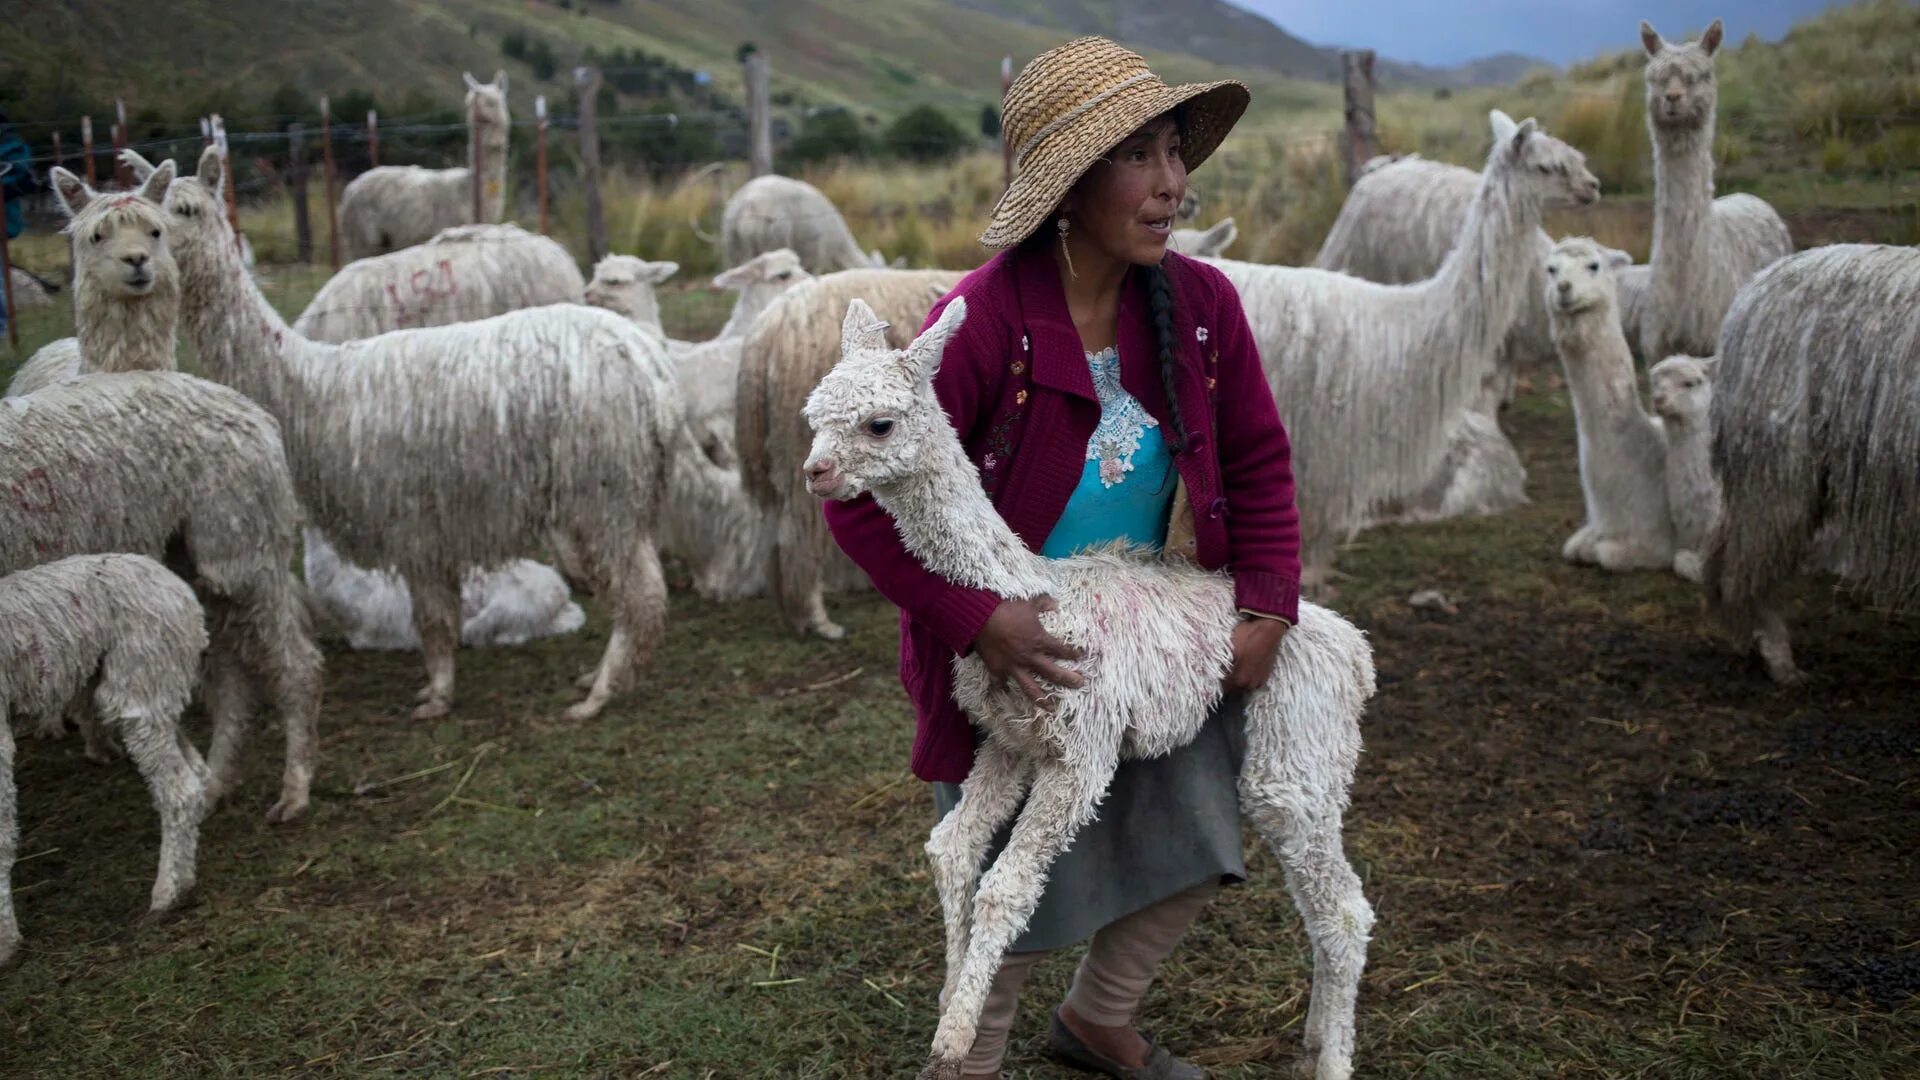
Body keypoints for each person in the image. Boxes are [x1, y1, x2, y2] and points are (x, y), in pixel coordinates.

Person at [823, 37, 1301, 1080]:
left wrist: (1267, 599)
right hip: (1016, 648)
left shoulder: (1202, 310)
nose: (1173, 184)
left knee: (1198, 834)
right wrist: (974, 621)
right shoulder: (983, 323)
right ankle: (971, 1060)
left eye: (1177, 151)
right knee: (1003, 868)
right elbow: (858, 499)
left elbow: (1259, 460)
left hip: (1146, 633)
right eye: (1140, 157)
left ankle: (1099, 1017)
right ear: (1068, 184)